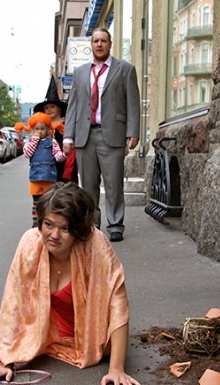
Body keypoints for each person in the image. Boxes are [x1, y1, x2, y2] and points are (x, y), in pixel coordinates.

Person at [0, 182, 143, 385]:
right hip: (48, 337)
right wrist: (5, 362)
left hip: (95, 339)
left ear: (78, 231)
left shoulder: (95, 244)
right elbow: (13, 304)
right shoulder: (29, 243)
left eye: (64, 228)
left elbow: (117, 303)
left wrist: (117, 369)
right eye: (48, 224)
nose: (54, 235)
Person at [63, 27, 140, 243]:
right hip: (84, 136)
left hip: (113, 135)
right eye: (95, 41)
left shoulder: (125, 69)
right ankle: (92, 225)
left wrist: (133, 132)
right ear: (91, 45)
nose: (99, 44)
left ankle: (115, 225)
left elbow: (133, 103)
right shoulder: (80, 73)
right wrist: (68, 137)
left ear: (110, 44)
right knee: (88, 186)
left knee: (114, 183)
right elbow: (73, 105)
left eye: (103, 41)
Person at [16, 112, 66, 227]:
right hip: (35, 178)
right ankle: (37, 223)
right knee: (36, 203)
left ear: (48, 129)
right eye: (36, 129)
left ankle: (49, 222)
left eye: (42, 128)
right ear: (32, 129)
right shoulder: (29, 143)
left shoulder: (52, 142)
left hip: (49, 177)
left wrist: (64, 154)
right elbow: (28, 154)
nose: (39, 131)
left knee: (50, 202)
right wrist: (34, 140)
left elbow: (58, 157)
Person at [34, 75, 78, 183]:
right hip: (47, 165)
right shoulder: (42, 126)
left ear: (59, 109)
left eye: (52, 107)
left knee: (66, 189)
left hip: (66, 163)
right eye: (46, 108)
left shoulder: (67, 124)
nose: (49, 110)